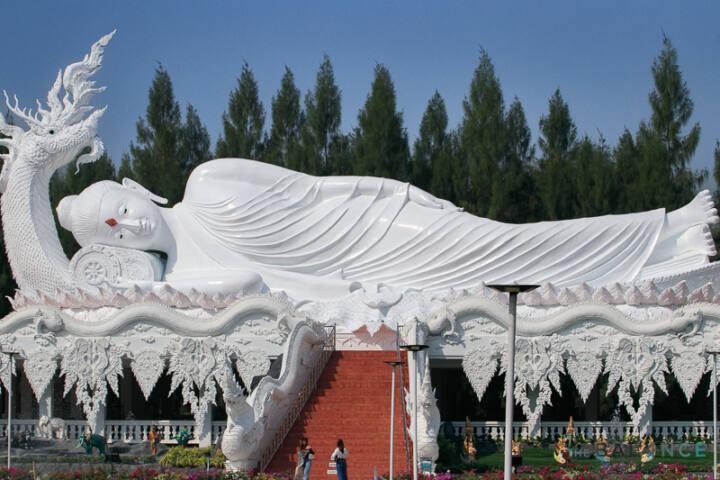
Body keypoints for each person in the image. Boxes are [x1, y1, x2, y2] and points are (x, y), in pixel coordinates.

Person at [57, 159, 719, 300]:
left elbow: (313, 187)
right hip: (362, 277)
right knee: (506, 266)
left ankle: (668, 228)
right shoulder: (185, 275)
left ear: (134, 188)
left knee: (505, 243)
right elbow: (251, 284)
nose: (127, 220)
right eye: (113, 231)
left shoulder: (207, 179)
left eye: (119, 203)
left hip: (379, 225)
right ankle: (664, 246)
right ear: (119, 245)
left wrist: (399, 192)